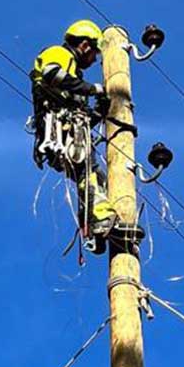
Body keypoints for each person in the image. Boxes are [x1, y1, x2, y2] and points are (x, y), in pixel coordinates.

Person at [31, 20, 116, 250]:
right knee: (87, 172)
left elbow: (84, 117)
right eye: (95, 53)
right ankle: (100, 219)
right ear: (86, 45)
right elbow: (51, 74)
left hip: (71, 133)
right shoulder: (58, 53)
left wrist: (99, 111)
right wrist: (94, 89)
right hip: (60, 132)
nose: (94, 60)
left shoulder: (74, 77)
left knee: (94, 176)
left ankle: (93, 226)